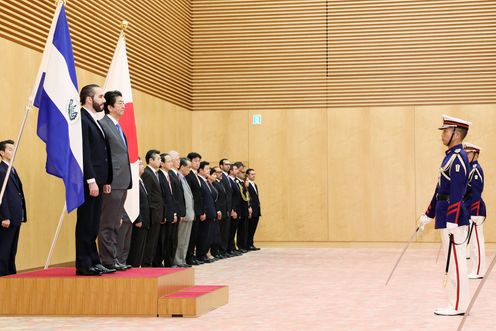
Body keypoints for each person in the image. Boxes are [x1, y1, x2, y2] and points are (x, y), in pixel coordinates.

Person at [419, 115, 471, 316]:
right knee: (454, 261)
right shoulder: (449, 156)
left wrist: (451, 219)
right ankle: (456, 302)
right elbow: (440, 190)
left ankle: (458, 305)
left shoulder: (458, 158)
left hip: (454, 219)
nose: (443, 134)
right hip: (447, 216)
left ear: (456, 134)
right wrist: (428, 214)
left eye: (446, 131)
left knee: (456, 263)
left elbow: (457, 192)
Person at [76, 84, 113, 276]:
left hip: (99, 180)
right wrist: (91, 180)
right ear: (89, 99)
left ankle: (93, 259)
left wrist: (106, 180)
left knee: (93, 223)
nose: (104, 101)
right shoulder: (82, 119)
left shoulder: (94, 119)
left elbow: (103, 154)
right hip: (89, 181)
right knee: (86, 221)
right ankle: (84, 263)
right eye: (100, 97)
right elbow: (85, 153)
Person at [98, 90, 132, 271]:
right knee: (107, 223)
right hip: (111, 181)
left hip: (122, 181)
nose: (123, 105)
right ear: (109, 107)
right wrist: (106, 180)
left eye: (123, 102)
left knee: (115, 222)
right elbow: (104, 156)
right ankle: (107, 260)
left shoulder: (118, 127)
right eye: (119, 103)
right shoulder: (103, 125)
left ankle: (114, 258)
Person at [0, 140, 27, 276]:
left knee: (12, 250)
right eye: (10, 149)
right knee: (4, 250)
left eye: (13, 148)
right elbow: (1, 196)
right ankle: (3, 277)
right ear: (2, 152)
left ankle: (11, 275)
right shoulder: (1, 170)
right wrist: (4, 216)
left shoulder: (12, 169)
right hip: (7, 218)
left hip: (16, 216)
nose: (12, 151)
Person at [463, 142, 486, 279]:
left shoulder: (476, 169)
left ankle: (478, 271)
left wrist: (474, 213)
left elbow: (477, 193)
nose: (466, 156)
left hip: (475, 211)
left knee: (477, 242)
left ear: (475, 154)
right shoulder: (470, 168)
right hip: (469, 209)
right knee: (473, 243)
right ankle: (476, 268)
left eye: (468, 153)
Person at [140, 149, 164, 267]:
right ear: (150, 160)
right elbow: (147, 195)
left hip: (157, 212)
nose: (160, 161)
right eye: (158, 159)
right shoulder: (147, 173)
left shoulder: (154, 173)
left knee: (154, 240)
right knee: (150, 240)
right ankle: (146, 263)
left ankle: (150, 261)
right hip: (152, 212)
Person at [155, 153, 178, 267]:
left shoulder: (171, 176)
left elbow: (173, 196)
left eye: (171, 161)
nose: (171, 163)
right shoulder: (159, 175)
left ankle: (169, 262)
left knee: (170, 240)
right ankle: (158, 262)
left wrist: (174, 212)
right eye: (168, 161)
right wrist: (164, 214)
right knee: (161, 240)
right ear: (162, 163)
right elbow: (162, 197)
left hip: (171, 212)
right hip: (163, 214)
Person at [127, 158, 150, 267]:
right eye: (140, 164)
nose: (142, 166)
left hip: (146, 219)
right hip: (139, 219)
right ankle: (134, 266)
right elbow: (134, 202)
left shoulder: (140, 180)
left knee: (141, 246)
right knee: (136, 246)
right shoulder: (134, 181)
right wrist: (138, 218)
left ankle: (138, 265)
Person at [173, 158, 194, 267]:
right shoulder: (178, 178)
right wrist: (183, 213)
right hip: (184, 214)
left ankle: (182, 259)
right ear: (181, 167)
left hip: (189, 214)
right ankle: (178, 260)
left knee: (185, 240)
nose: (190, 170)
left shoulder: (184, 179)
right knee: (180, 239)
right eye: (188, 167)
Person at [186, 152, 205, 265]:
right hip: (193, 210)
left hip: (198, 210)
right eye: (195, 161)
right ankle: (188, 256)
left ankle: (192, 255)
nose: (197, 163)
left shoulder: (196, 175)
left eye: (199, 161)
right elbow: (191, 195)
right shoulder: (188, 175)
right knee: (191, 235)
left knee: (195, 235)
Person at [196, 161, 216, 263]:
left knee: (209, 235)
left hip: (211, 212)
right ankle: (200, 254)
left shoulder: (206, 181)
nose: (209, 171)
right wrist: (202, 211)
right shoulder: (199, 180)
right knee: (203, 235)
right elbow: (200, 198)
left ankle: (204, 254)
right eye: (207, 169)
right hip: (205, 213)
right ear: (201, 170)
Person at [246, 168, 261, 251]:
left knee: (253, 227)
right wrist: (249, 207)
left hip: (256, 209)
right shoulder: (247, 185)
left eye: (254, 174)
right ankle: (248, 244)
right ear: (247, 175)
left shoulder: (254, 185)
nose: (254, 176)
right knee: (250, 227)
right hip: (251, 209)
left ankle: (251, 243)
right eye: (252, 174)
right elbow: (248, 197)